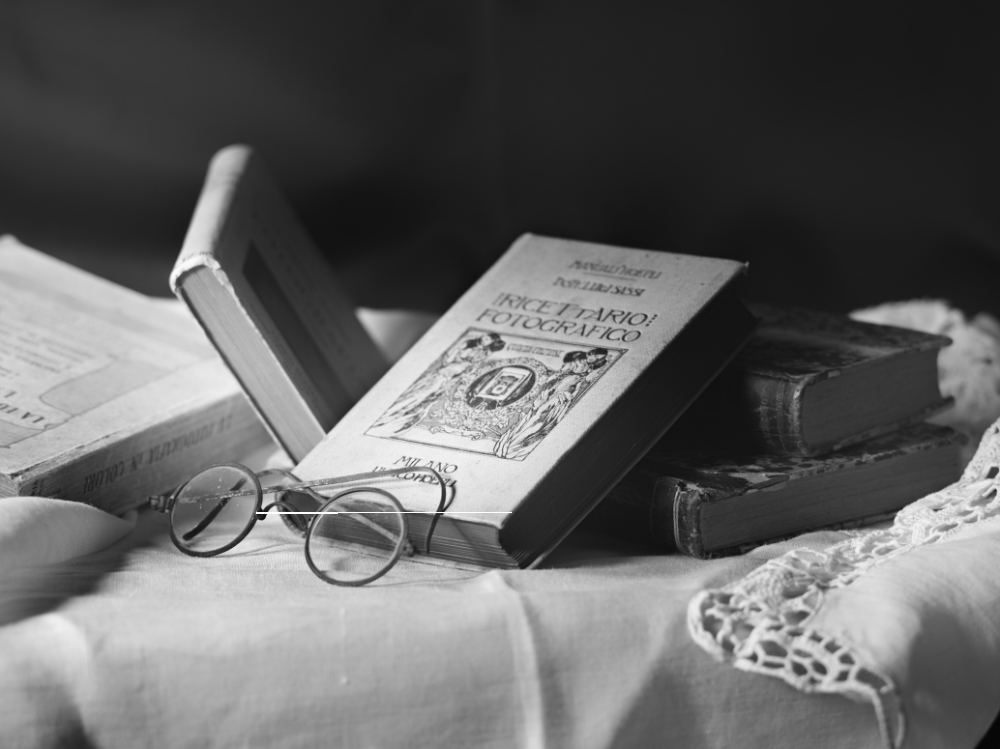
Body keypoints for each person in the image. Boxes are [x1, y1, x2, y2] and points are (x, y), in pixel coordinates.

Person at [370, 332, 504, 436]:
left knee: (425, 399)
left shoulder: (482, 353)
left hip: (450, 378)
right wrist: (453, 367)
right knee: (418, 395)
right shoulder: (467, 344)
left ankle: (396, 415)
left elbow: (471, 369)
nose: (485, 339)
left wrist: (462, 372)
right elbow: (449, 358)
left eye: (488, 340)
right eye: (486, 337)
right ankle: (389, 414)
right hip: (443, 374)